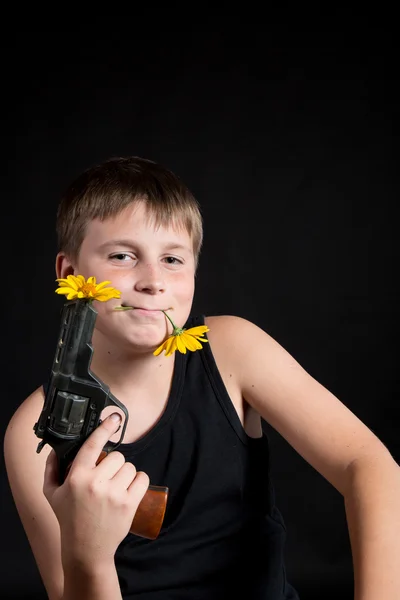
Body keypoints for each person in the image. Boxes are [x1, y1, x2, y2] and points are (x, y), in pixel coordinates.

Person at [3, 156, 399, 600]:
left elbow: (370, 465)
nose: (154, 281)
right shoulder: (30, 433)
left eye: (172, 259)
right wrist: (87, 555)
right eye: (121, 255)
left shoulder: (233, 349)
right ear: (70, 275)